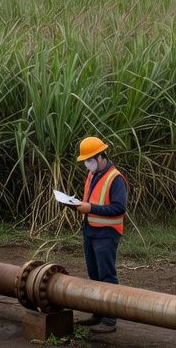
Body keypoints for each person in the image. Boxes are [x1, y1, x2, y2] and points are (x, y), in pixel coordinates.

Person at [70, 136, 127, 334]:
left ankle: (110, 319)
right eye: (86, 160)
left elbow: (119, 208)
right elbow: (91, 201)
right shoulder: (93, 174)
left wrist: (90, 208)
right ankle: (98, 313)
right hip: (90, 231)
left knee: (107, 276)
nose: (88, 163)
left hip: (106, 234)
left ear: (102, 156)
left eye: (91, 159)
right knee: (94, 275)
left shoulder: (115, 178)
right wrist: (77, 205)